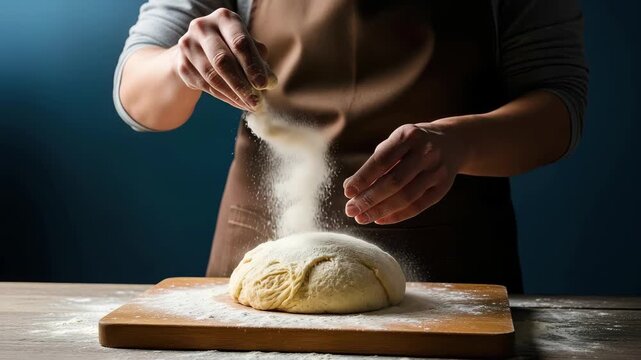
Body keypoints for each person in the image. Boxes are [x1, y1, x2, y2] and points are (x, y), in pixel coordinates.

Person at [114, 0, 588, 293]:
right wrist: (183, 60)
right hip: (262, 255)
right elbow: (139, 98)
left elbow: (558, 106)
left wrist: (459, 143)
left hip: (450, 265)